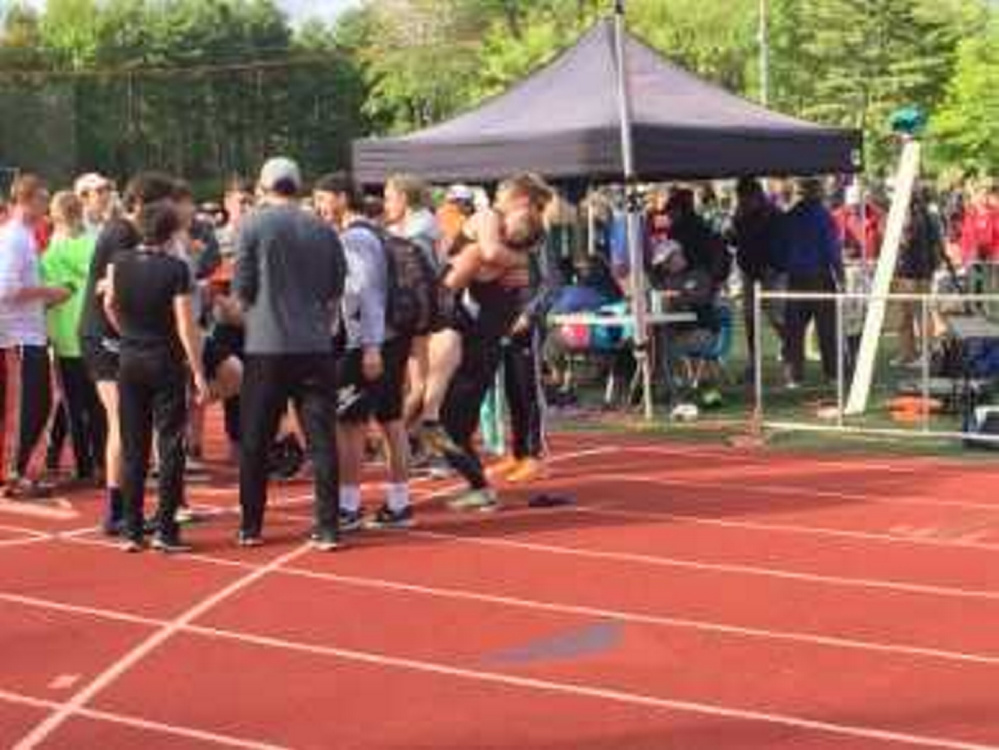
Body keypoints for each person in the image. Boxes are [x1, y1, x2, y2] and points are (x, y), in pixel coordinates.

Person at [234, 157, 346, 550]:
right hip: (314, 345)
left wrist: (256, 312)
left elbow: (243, 288)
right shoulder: (324, 229)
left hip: (266, 345)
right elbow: (335, 290)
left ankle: (251, 525)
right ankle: (328, 526)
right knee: (321, 439)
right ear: (298, 187)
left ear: (265, 188)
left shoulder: (252, 225)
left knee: (255, 438)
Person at [436, 174, 553, 511]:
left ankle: (481, 488)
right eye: (531, 208)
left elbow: (485, 256)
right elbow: (476, 259)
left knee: (444, 422)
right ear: (517, 200)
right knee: (441, 421)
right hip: (465, 334)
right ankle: (478, 485)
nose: (531, 217)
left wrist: (517, 261)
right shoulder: (489, 223)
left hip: (478, 340)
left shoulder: (508, 241)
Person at [104, 201, 209, 553]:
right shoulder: (176, 269)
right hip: (164, 359)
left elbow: (109, 303)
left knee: (134, 447)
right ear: (169, 234)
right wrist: (198, 371)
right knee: (169, 445)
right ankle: (166, 530)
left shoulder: (120, 262)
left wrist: (128, 332)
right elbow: (184, 323)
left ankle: (133, 531)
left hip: (130, 357)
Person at [314, 172, 414, 530]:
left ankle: (348, 506)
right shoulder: (376, 232)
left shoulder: (355, 239)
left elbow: (365, 295)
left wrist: (369, 347)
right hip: (388, 338)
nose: (319, 207)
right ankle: (399, 503)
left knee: (350, 424)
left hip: (366, 343)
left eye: (322, 199)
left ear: (342, 197)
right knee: (391, 420)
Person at [80, 171, 177, 534]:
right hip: (103, 337)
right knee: (122, 420)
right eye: (163, 202)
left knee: (133, 420)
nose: (168, 210)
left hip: (123, 337)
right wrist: (136, 335)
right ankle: (115, 510)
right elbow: (110, 293)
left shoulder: (136, 233)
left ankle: (132, 506)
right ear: (142, 203)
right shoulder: (122, 232)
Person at [0, 174, 69, 497]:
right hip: (19, 337)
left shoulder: (24, 235)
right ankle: (15, 473)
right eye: (43, 200)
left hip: (29, 334)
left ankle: (20, 470)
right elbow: (7, 289)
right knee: (27, 406)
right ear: (27, 200)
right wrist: (48, 292)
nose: (46, 208)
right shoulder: (14, 237)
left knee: (39, 403)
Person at [40, 191, 106, 483]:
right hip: (94, 333)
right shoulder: (95, 246)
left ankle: (83, 466)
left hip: (66, 338)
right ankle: (103, 462)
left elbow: (48, 297)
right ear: (80, 212)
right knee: (97, 404)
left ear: (55, 216)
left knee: (73, 405)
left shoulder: (50, 254)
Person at [383, 174, 440, 435]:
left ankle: (400, 436)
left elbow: (423, 280)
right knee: (409, 383)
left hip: (417, 317)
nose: (385, 205)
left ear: (404, 199)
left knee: (419, 384)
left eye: (389, 198)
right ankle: (404, 435)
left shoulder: (421, 233)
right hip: (406, 316)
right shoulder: (402, 231)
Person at [781, 178, 843, 387]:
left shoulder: (790, 216)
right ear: (817, 193)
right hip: (819, 276)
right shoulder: (824, 216)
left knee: (794, 329)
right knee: (827, 327)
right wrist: (840, 275)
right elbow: (832, 249)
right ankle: (833, 374)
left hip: (795, 277)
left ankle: (794, 375)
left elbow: (780, 246)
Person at [731, 177, 786, 376]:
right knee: (749, 318)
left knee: (777, 316)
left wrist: (774, 266)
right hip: (749, 272)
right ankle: (754, 361)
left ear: (755, 195)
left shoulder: (774, 214)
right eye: (740, 199)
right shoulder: (740, 215)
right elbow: (739, 240)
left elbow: (780, 244)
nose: (741, 202)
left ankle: (791, 349)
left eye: (744, 198)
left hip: (771, 272)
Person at [892, 189, 944, 366]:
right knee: (908, 315)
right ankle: (908, 353)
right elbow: (938, 244)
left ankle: (923, 354)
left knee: (917, 314)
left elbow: (904, 241)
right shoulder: (930, 216)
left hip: (912, 273)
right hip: (918, 272)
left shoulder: (917, 217)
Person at [74, 172, 115, 237]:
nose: (106, 195)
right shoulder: (75, 228)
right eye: (99, 191)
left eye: (108, 189)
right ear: (84, 198)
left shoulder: (111, 223)